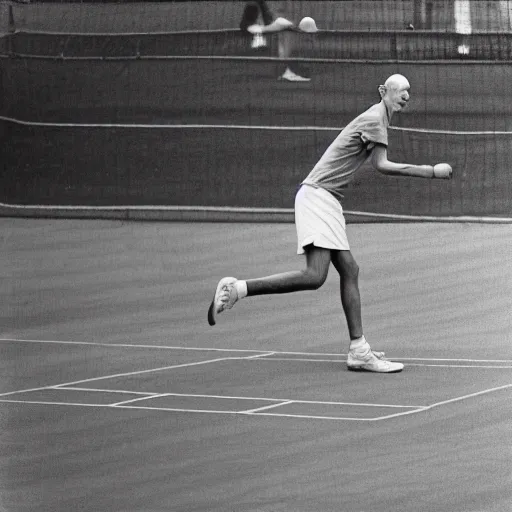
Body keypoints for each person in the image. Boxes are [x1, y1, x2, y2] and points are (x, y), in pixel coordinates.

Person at [207, 74, 452, 373]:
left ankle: (359, 350)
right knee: (315, 276)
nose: (406, 95)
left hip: (326, 199)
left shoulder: (379, 119)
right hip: (317, 196)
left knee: (349, 269)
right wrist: (430, 171)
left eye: (409, 91)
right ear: (383, 91)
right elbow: (381, 166)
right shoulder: (376, 118)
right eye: (400, 90)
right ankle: (238, 288)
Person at [239, 0, 314, 82]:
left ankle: (286, 71)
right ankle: (285, 71)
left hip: (266, 48)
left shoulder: (264, 23)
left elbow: (271, 22)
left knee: (279, 30)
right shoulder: (253, 26)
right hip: (261, 54)